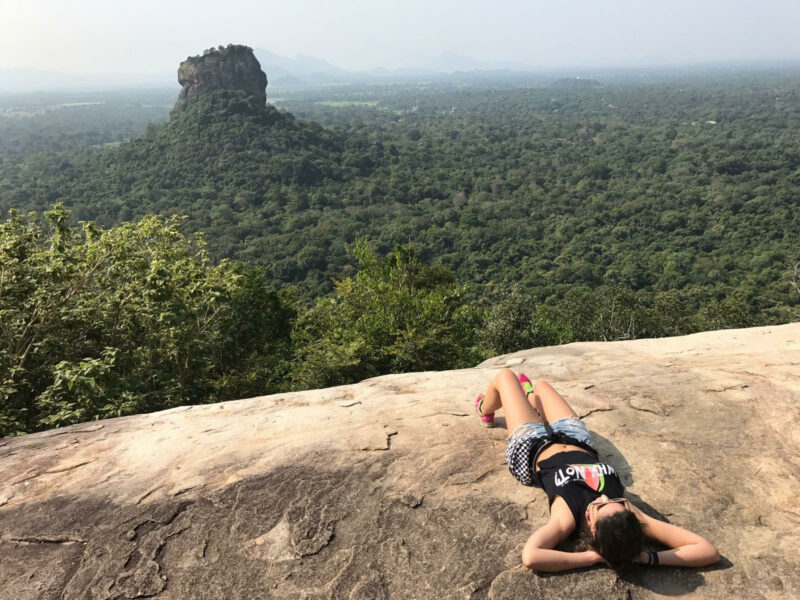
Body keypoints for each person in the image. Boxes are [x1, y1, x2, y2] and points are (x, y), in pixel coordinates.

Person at [475, 368, 719, 572]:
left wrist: (591, 558)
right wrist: (647, 557)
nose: (603, 498)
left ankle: (485, 408)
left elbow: (531, 556)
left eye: (600, 507)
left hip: (532, 447)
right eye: (616, 503)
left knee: (506, 377)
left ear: (591, 528)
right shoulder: (631, 518)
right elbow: (707, 550)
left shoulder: (567, 519)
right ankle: (529, 399)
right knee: (541, 386)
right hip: (576, 440)